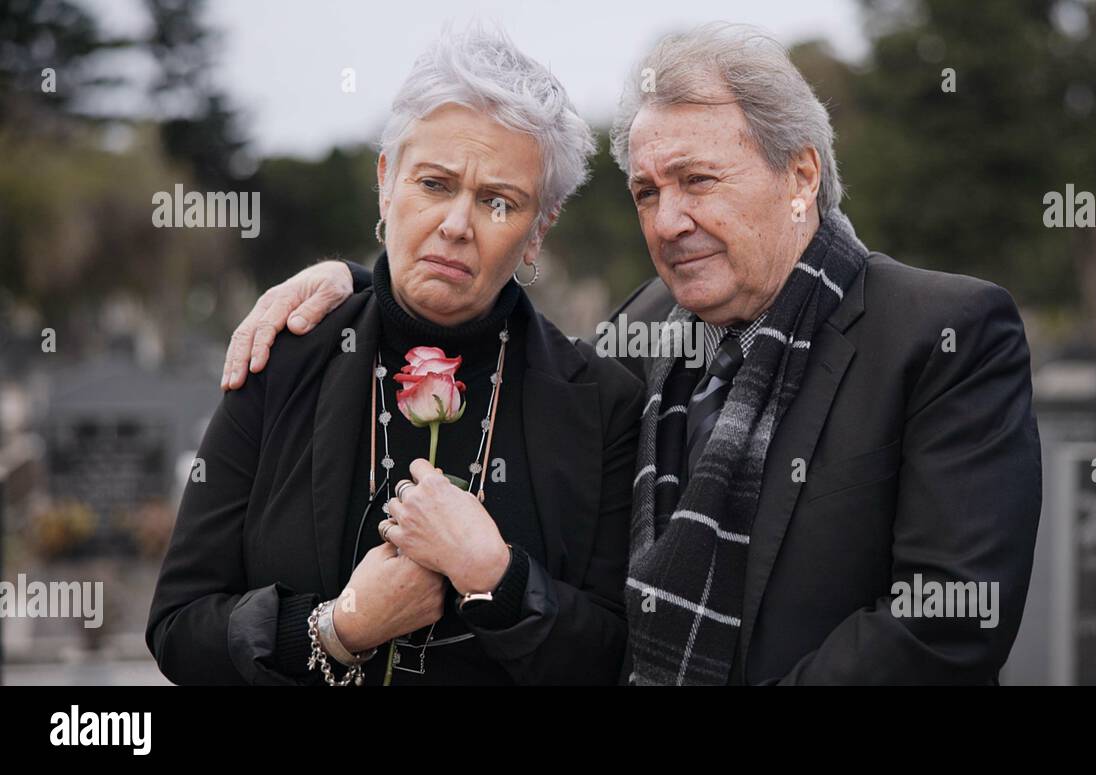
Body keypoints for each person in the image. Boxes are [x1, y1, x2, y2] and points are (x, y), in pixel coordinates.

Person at [223, 23, 1042, 685]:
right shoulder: (650, 324)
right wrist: (358, 287)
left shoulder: (945, 332)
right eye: (648, 192)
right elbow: (500, 339)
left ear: (800, 176)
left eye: (697, 180)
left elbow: (946, 624)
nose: (668, 220)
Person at [147, 26, 642, 686]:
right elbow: (178, 627)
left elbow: (617, 655)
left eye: (499, 200)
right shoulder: (287, 357)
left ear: (538, 229)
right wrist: (340, 626)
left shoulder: (603, 403)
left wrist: (500, 577)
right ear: (387, 183)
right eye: (434, 184)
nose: (458, 224)